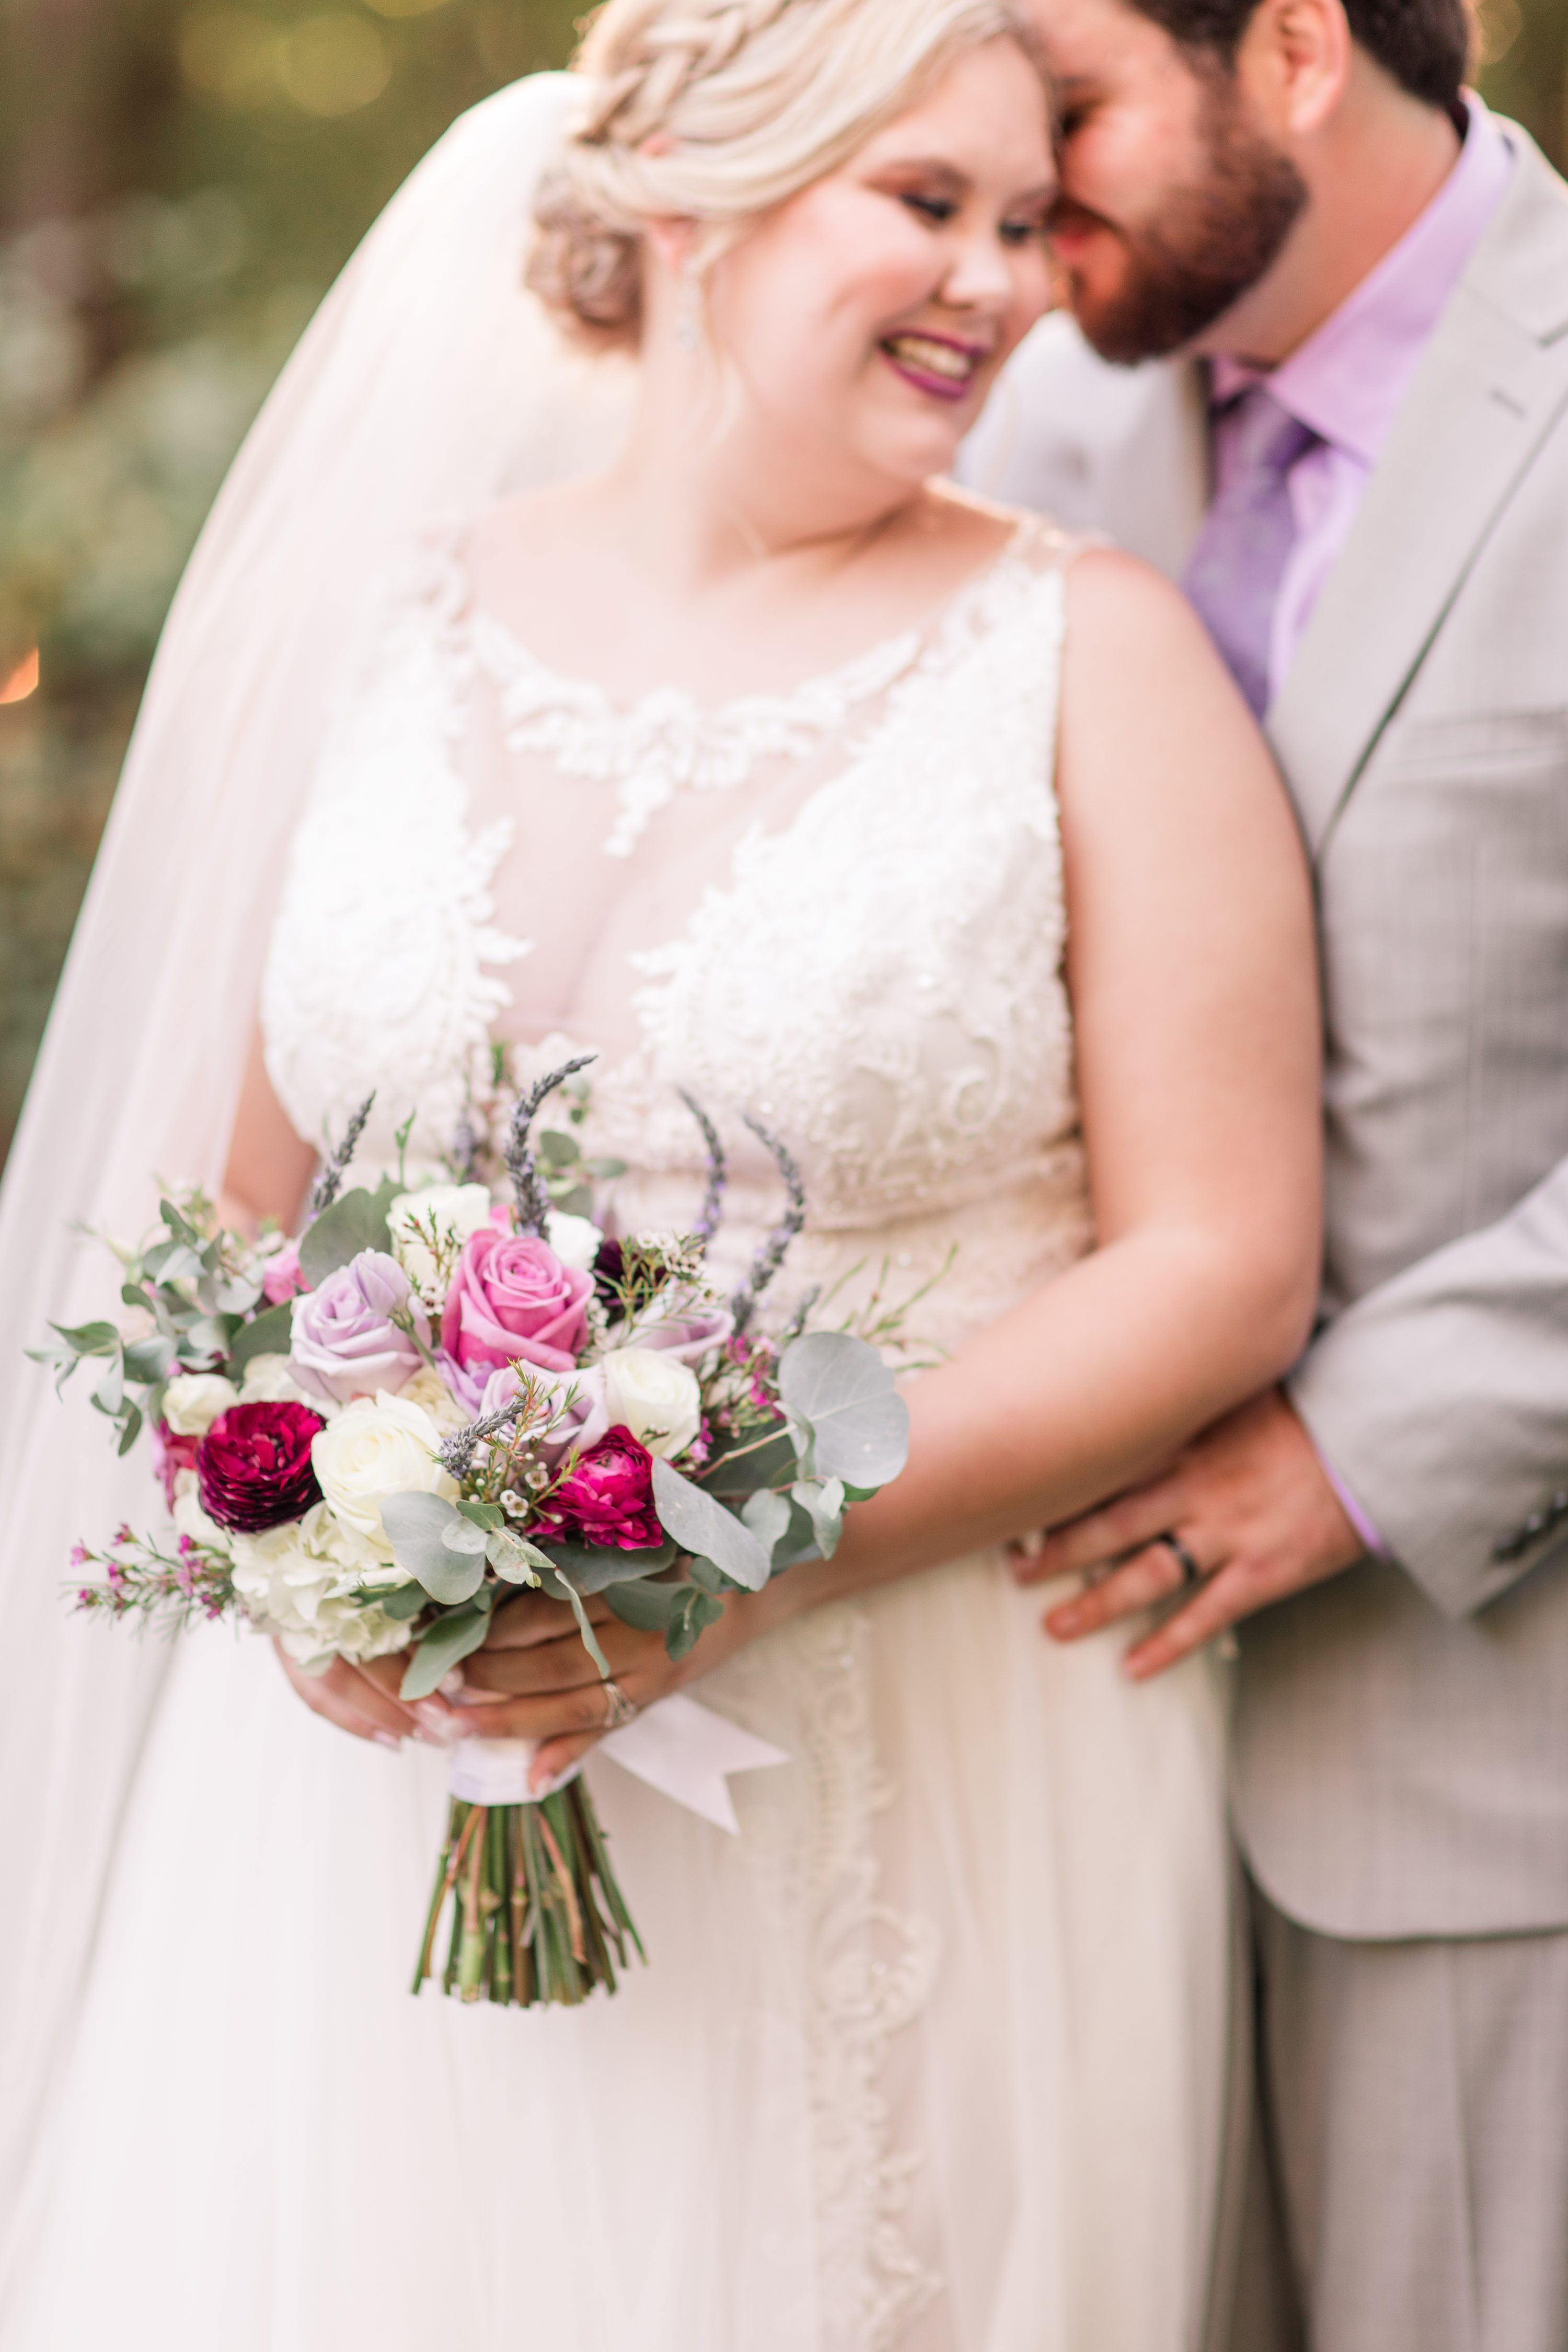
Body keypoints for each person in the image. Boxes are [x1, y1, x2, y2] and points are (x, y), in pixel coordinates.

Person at [0, 4, 1321, 2346]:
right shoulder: (383, 625)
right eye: (926, 203)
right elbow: (232, 1235)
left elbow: (1220, 1258)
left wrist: (756, 1553)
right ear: (697, 194)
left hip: (926, 1743)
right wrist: (304, 1541)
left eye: (1029, 221)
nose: (1001, 281)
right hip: (369, 1785)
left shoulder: (1093, 655)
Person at [967, 2, 1568, 2345]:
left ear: (1299, 45)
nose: (1023, 183)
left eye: (1078, 104)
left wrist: (1366, 1446)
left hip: (1465, 1735)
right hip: (1020, 1752)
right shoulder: (1015, 402)